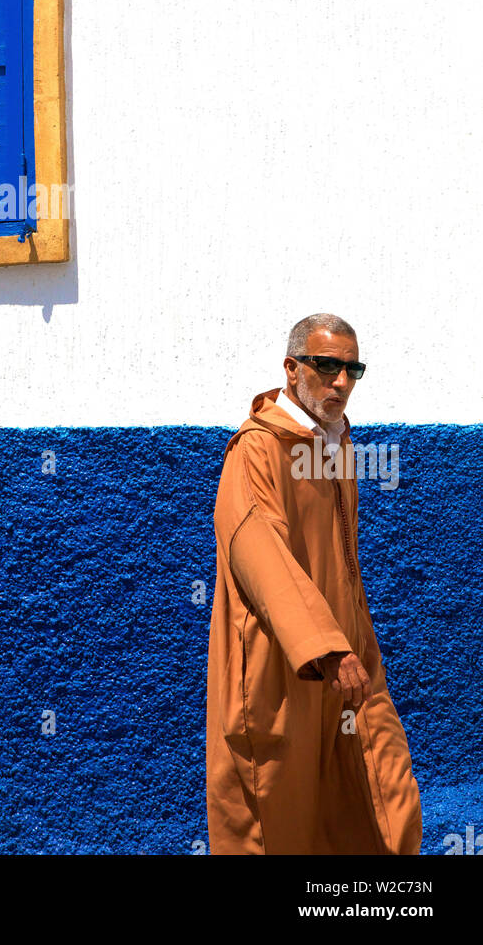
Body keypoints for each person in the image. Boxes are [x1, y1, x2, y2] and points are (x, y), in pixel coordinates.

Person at [206, 313, 423, 855]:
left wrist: (356, 648)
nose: (341, 382)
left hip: (350, 666)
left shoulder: (335, 446)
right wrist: (324, 647)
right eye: (326, 366)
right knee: (278, 821)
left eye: (353, 369)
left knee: (387, 797)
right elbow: (260, 554)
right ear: (291, 367)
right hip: (284, 670)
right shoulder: (257, 449)